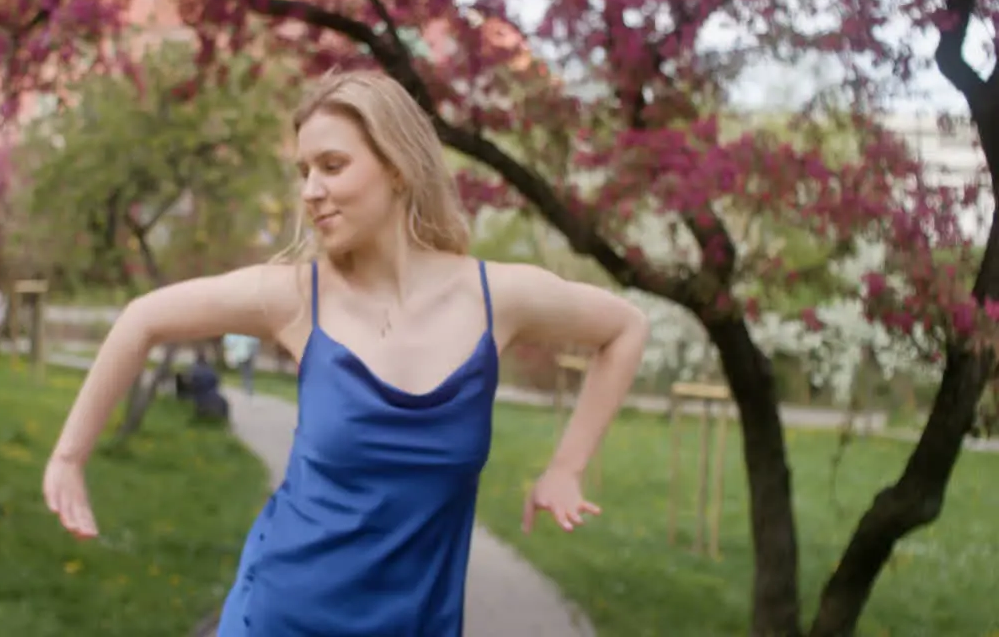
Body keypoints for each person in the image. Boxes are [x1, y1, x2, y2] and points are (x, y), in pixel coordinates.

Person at [43, 69, 650, 636]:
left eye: (332, 165)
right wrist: (70, 455)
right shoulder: (295, 298)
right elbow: (142, 318)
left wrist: (566, 468)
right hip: (280, 616)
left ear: (396, 167)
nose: (311, 190)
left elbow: (625, 328)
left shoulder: (497, 298)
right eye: (304, 170)